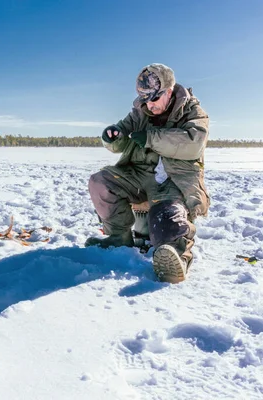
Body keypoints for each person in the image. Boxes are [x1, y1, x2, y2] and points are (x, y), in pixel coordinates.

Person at [85, 63, 210, 283]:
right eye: (144, 100)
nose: (148, 105)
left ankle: (176, 256)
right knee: (101, 182)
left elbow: (193, 143)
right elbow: (121, 137)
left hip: (172, 182)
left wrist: (151, 138)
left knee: (167, 216)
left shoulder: (193, 112)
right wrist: (112, 137)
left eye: (153, 100)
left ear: (168, 92)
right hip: (137, 176)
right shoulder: (140, 111)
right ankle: (118, 239)